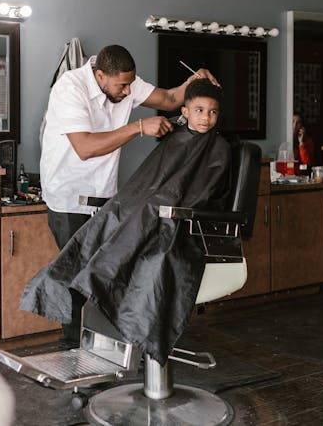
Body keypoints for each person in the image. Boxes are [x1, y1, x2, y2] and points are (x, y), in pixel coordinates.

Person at [24, 79, 232, 362]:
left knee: (132, 234)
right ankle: (73, 284)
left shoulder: (219, 148)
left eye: (212, 112)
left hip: (180, 225)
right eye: (199, 110)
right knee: (104, 226)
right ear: (185, 111)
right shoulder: (175, 138)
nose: (206, 117)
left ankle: (94, 281)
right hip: (146, 210)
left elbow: (200, 192)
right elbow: (151, 180)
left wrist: (159, 207)